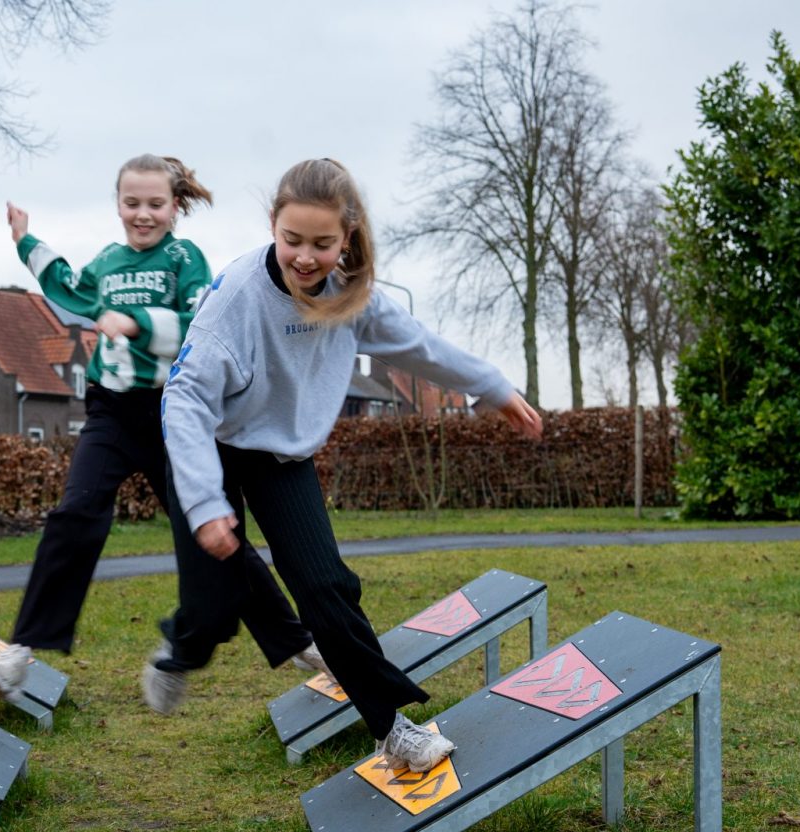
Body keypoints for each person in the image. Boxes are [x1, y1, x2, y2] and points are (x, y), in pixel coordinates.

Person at [151, 158, 544, 772]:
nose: (305, 258)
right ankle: (181, 651)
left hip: (281, 456)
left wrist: (489, 385)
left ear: (347, 238)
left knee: (327, 586)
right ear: (273, 229)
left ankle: (392, 728)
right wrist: (204, 503)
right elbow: (184, 400)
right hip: (209, 445)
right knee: (213, 598)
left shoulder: (353, 297)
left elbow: (420, 346)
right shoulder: (236, 299)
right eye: (291, 241)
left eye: (322, 244)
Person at [0, 154, 327, 702]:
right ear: (117, 206)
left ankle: (298, 641)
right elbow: (67, 286)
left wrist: (138, 323)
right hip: (111, 411)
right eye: (132, 204)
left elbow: (198, 324)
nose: (143, 215)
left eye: (155, 204)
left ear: (175, 206)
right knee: (75, 511)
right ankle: (20, 652)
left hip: (174, 416)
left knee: (219, 537)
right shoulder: (108, 262)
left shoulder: (186, 260)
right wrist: (24, 239)